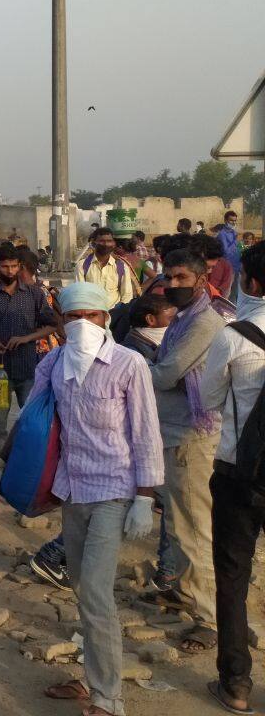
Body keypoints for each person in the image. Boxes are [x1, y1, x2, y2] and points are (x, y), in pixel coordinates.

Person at [36, 283, 163, 716]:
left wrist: (145, 497)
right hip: (72, 489)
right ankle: (92, 676)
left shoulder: (129, 364)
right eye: (74, 318)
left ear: (105, 318)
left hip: (114, 488)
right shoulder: (54, 362)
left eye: (91, 316)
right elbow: (37, 419)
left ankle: (109, 698)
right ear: (62, 321)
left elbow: (146, 432)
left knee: (94, 590)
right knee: (79, 585)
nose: (83, 325)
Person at [149, 248, 224, 655]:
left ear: (200, 279)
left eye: (181, 278)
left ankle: (210, 617)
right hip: (175, 431)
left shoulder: (204, 322)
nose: (172, 284)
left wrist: (125, 367)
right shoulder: (182, 319)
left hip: (192, 437)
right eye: (169, 277)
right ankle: (184, 591)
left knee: (194, 528)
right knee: (178, 524)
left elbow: (166, 373)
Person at [202, 241, 265, 713]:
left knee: (232, 574)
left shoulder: (234, 334)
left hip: (240, 473)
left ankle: (236, 685)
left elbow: (208, 400)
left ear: (253, 282)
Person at [0, 244, 58, 449]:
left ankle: (27, 467)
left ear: (20, 266)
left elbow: (51, 325)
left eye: (14, 266)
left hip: (29, 369)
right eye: (5, 266)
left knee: (32, 421)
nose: (10, 271)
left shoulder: (35, 295)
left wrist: (26, 338)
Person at [79, 227, 137, 308]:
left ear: (114, 243)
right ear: (94, 242)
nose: (106, 244)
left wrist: (120, 313)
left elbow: (126, 295)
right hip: (92, 312)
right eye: (101, 241)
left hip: (115, 314)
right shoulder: (82, 265)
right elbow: (80, 293)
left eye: (109, 241)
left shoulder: (121, 266)